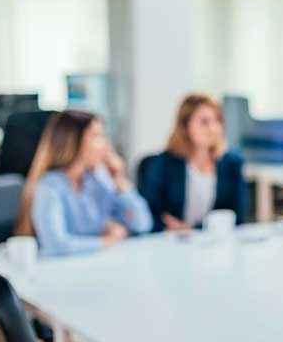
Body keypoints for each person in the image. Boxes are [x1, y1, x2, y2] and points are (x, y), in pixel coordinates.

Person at [15, 110, 151, 257]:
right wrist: (106, 241)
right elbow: (56, 245)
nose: (106, 144)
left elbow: (142, 224)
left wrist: (119, 179)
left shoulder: (96, 181)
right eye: (97, 136)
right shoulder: (50, 186)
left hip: (91, 265)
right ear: (74, 141)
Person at [138, 94, 245, 231]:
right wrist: (166, 228)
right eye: (204, 122)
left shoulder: (232, 164)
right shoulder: (163, 163)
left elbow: (238, 218)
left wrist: (192, 229)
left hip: (212, 243)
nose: (213, 128)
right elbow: (146, 214)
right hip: (168, 242)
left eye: (217, 120)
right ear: (185, 126)